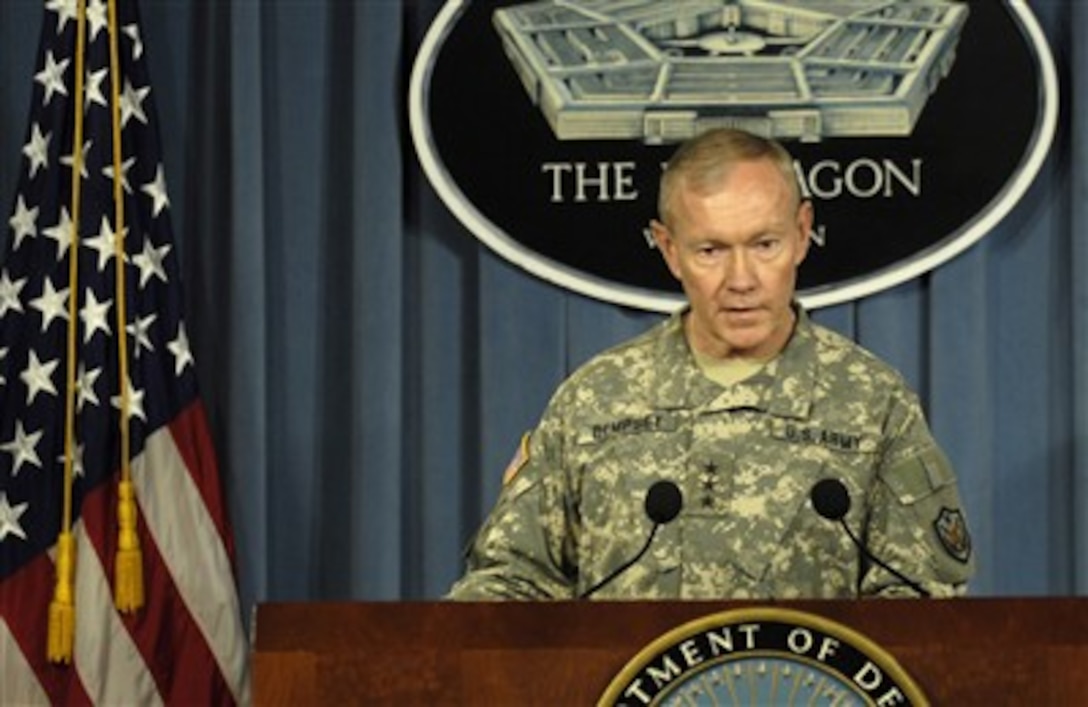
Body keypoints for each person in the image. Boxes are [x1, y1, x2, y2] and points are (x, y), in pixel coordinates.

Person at [448, 128, 975, 600]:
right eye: (710, 251)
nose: (741, 278)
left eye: (764, 244)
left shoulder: (872, 402)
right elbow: (507, 584)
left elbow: (923, 606)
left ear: (802, 232)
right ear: (669, 249)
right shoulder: (594, 401)